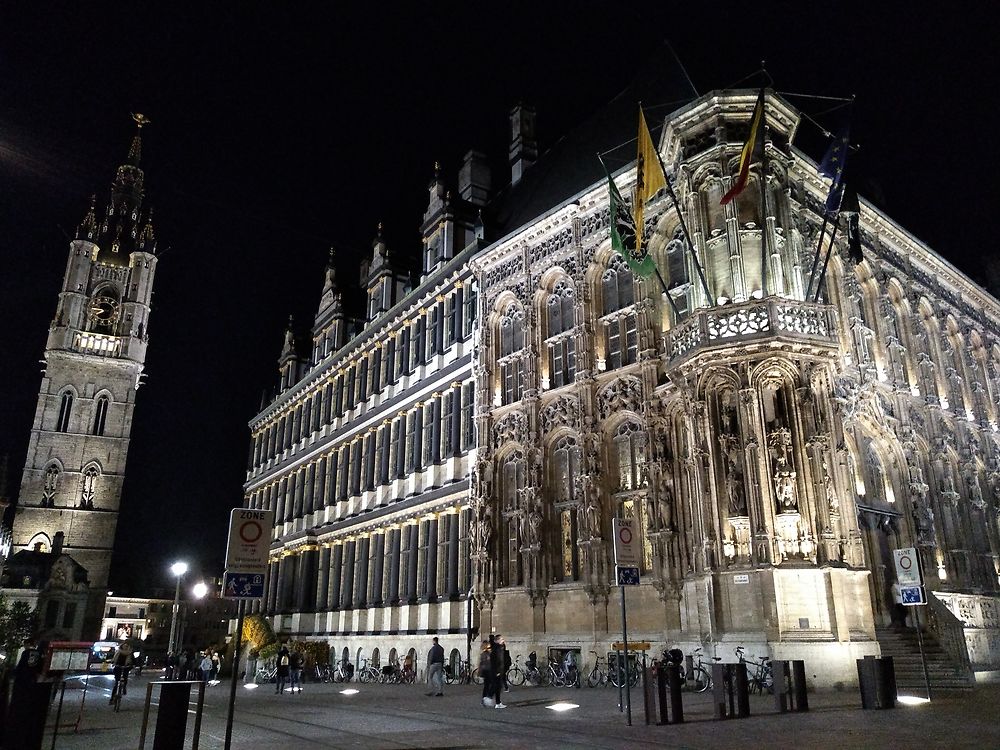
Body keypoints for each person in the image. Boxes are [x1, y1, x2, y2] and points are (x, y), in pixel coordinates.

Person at [478, 640, 494, 708]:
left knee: (488, 685)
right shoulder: (484, 654)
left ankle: (485, 699)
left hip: (488, 670)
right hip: (487, 671)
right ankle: (485, 699)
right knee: (488, 685)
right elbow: (482, 663)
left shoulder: (487, 653)